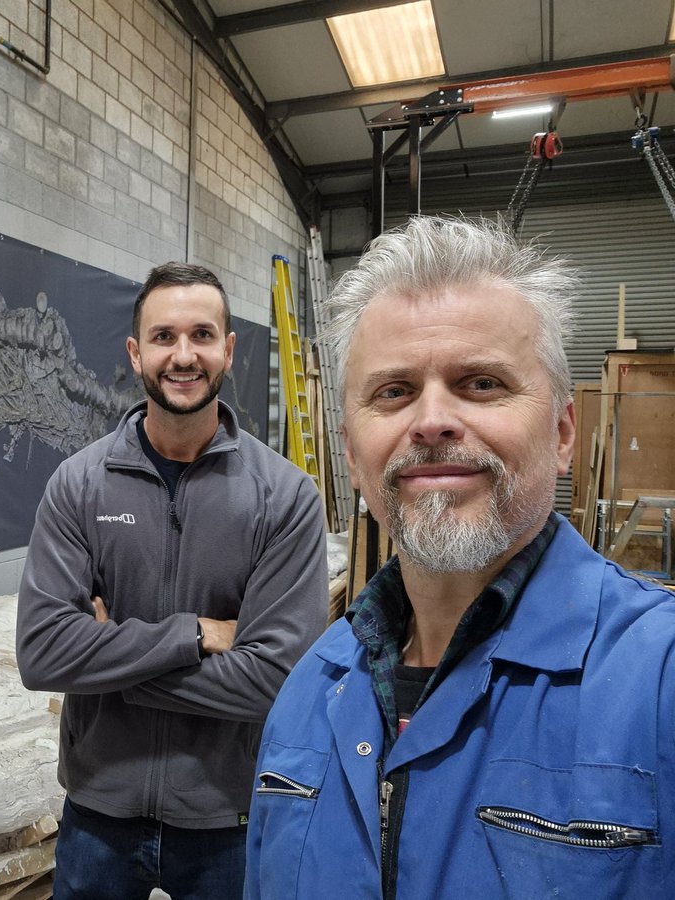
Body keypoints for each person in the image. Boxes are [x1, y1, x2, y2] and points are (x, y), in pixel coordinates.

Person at [244, 216, 675, 899]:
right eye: (393, 391)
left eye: (481, 384)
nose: (432, 420)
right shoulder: (309, 693)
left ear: (564, 434)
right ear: (353, 458)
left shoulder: (658, 680)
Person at [16, 261, 328, 899]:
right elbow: (43, 652)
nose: (183, 356)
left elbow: (275, 680)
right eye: (163, 337)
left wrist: (109, 663)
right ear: (135, 353)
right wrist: (193, 633)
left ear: (228, 350)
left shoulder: (285, 497)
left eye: (202, 335)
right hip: (98, 814)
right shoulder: (78, 485)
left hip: (226, 817)